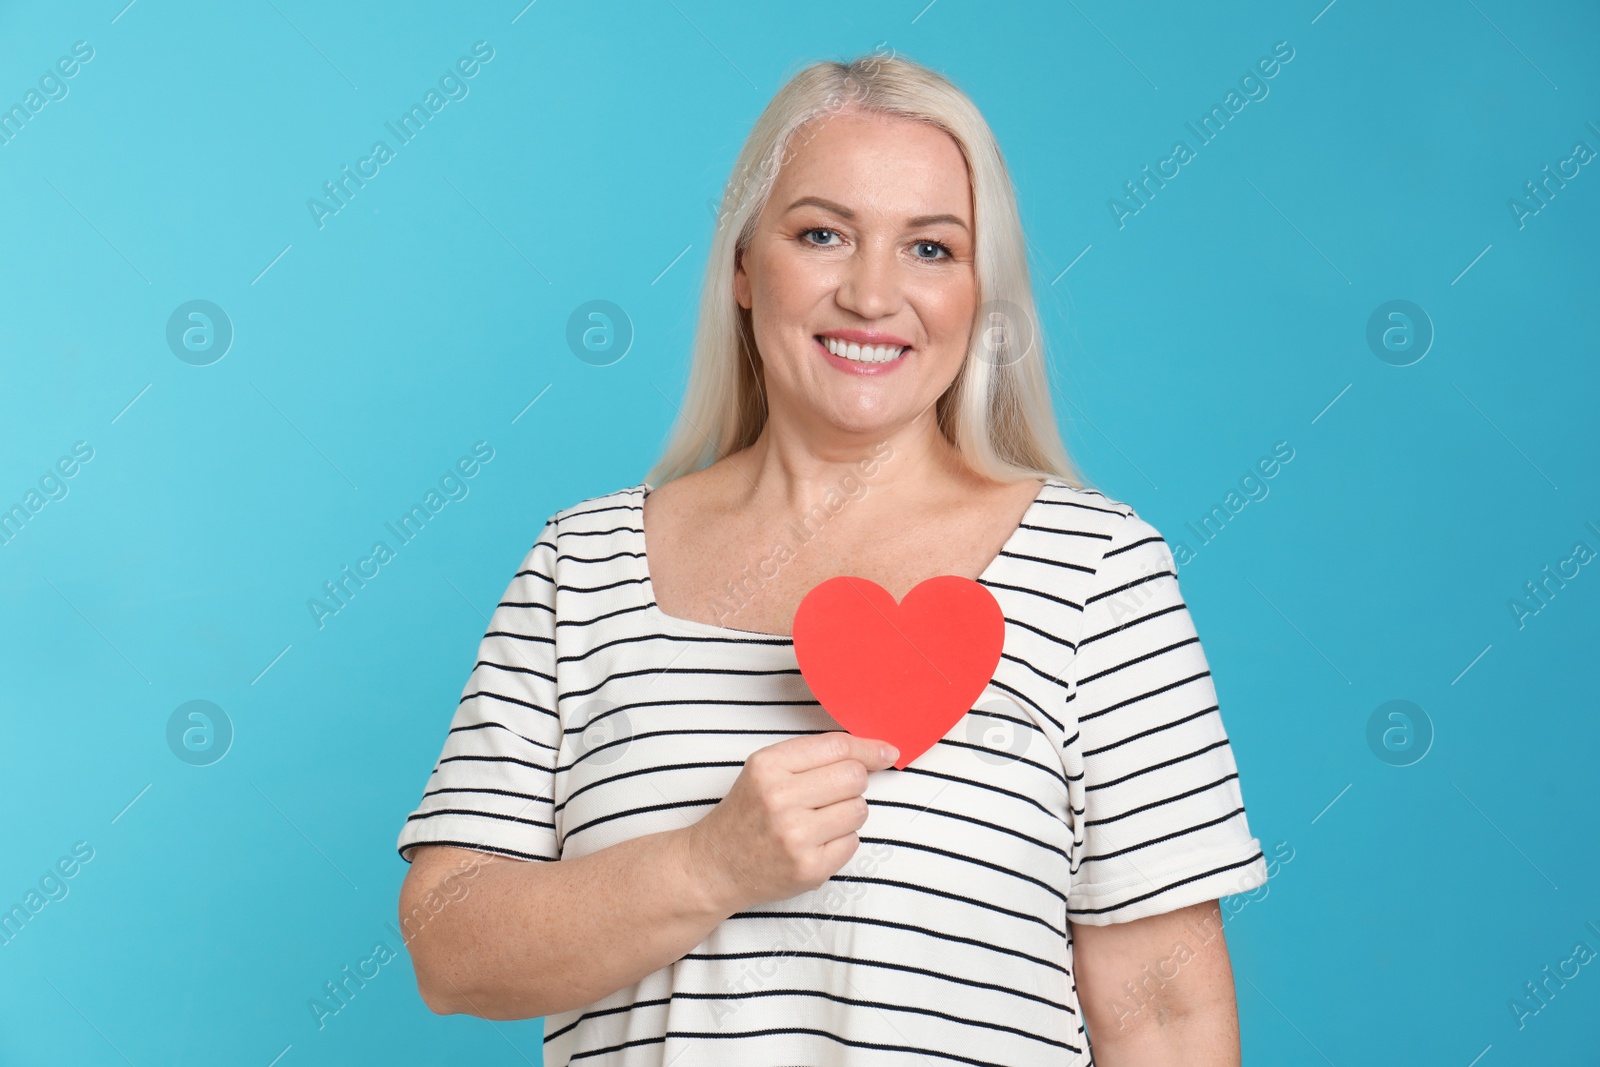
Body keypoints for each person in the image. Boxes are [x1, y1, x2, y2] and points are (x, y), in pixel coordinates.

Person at [395, 49, 1269, 1066]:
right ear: (741, 264)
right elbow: (447, 946)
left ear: (982, 288)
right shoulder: (580, 565)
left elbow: (1164, 1014)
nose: (871, 292)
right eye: (821, 234)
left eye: (931, 248)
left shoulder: (1097, 571)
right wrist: (708, 863)